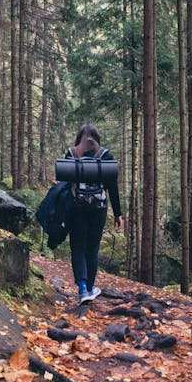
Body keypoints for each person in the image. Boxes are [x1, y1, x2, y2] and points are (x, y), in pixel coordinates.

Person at [65, 124, 122, 304]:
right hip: (99, 209)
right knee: (92, 248)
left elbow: (65, 185)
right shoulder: (106, 155)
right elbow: (113, 187)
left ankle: (82, 289)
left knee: (78, 247)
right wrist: (118, 214)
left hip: (76, 208)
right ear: (97, 138)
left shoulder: (72, 154)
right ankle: (90, 288)